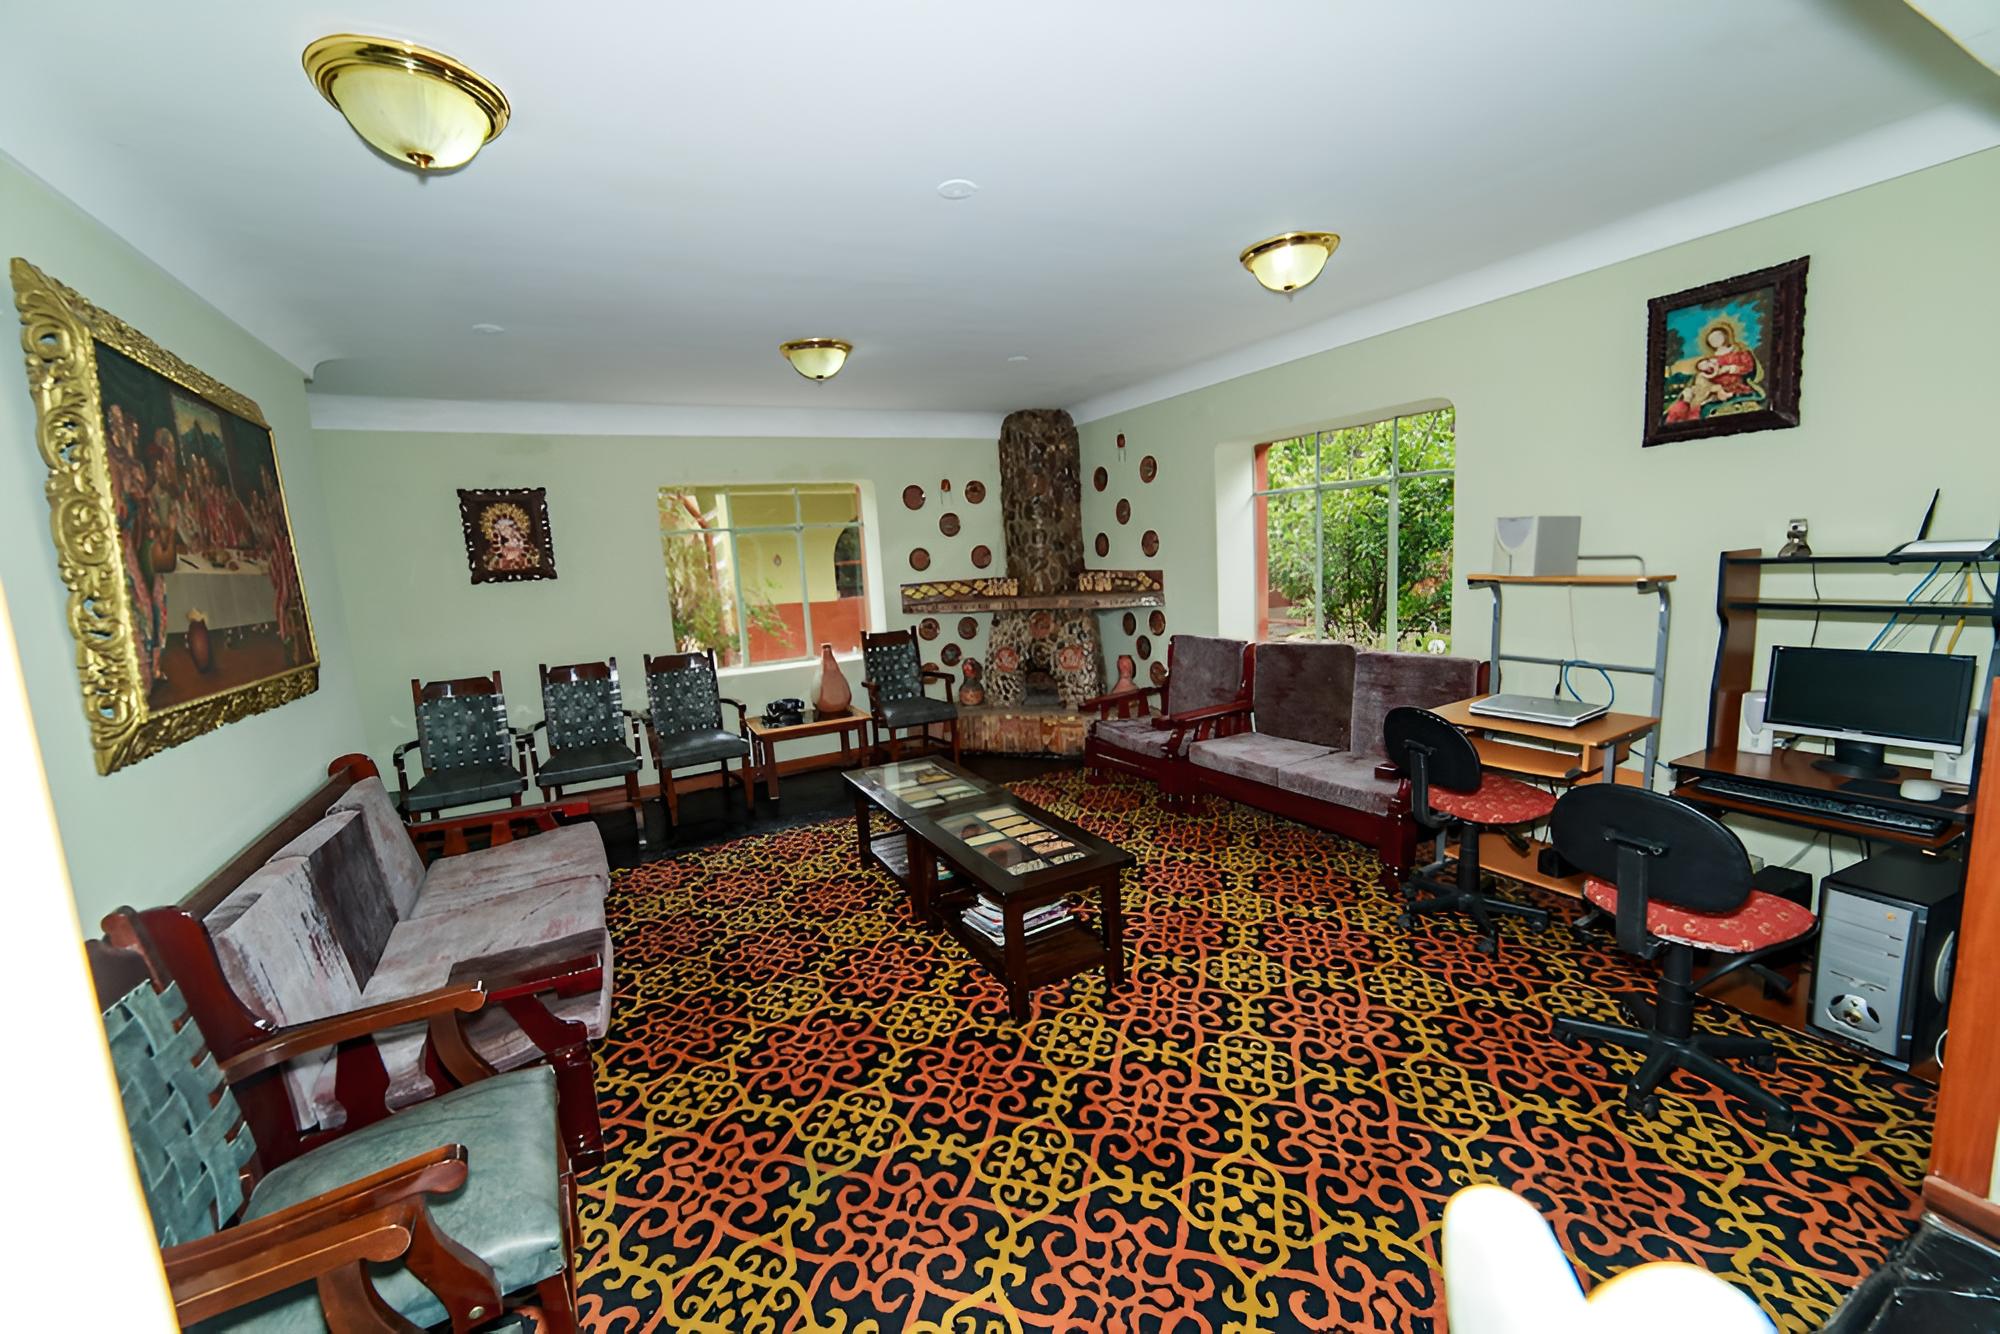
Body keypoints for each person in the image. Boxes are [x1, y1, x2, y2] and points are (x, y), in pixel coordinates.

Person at [1665, 320, 1760, 423]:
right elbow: (1707, 373)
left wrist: (1729, 368)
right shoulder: (1712, 359)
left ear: (1726, 335)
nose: (1715, 340)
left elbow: (1749, 367)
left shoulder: (1739, 351)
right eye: (1712, 339)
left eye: (1718, 337)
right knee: (1691, 397)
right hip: (1711, 387)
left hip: (1734, 385)